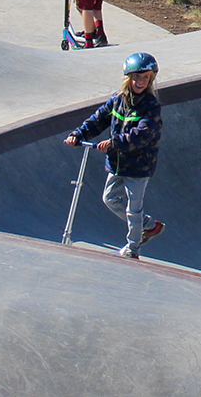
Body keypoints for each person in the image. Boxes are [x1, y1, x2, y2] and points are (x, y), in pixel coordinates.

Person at [65, 52, 166, 258]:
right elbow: (98, 119)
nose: (140, 82)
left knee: (133, 208)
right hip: (118, 163)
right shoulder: (118, 100)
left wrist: (114, 143)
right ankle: (148, 226)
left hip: (139, 166)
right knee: (110, 199)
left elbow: (142, 135)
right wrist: (78, 134)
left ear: (150, 80)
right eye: (136, 77)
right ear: (128, 78)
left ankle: (133, 248)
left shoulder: (151, 106)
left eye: (145, 78)